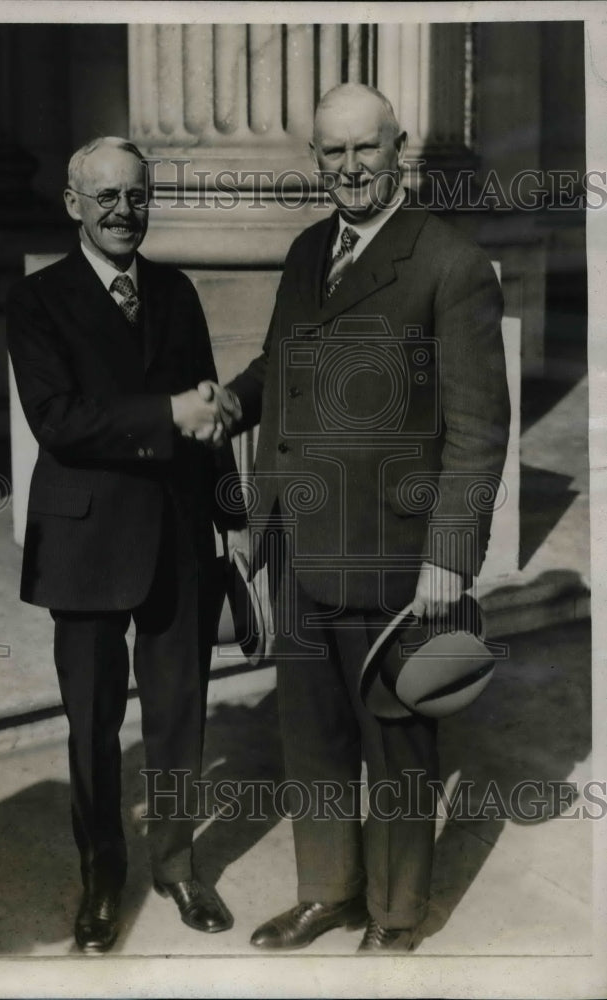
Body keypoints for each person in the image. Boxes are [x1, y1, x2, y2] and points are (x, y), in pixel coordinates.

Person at [203, 83, 511, 952]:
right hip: (297, 542)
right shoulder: (308, 251)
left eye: (363, 149)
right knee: (313, 738)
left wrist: (449, 557)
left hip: (395, 553)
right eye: (330, 152)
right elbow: (280, 363)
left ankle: (395, 916)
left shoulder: (450, 264)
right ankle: (327, 891)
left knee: (397, 744)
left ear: (398, 149)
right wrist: (234, 401)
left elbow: (480, 430)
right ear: (316, 158)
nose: (347, 168)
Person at [6, 136, 244, 954]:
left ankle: (176, 865)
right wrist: (164, 415)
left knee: (178, 715)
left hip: (179, 536)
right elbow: (57, 421)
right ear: (73, 204)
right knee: (93, 725)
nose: (123, 211)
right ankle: (102, 878)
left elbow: (209, 417)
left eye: (136, 196)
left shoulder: (176, 291)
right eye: (105, 196)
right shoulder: (37, 301)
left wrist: (233, 523)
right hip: (86, 545)